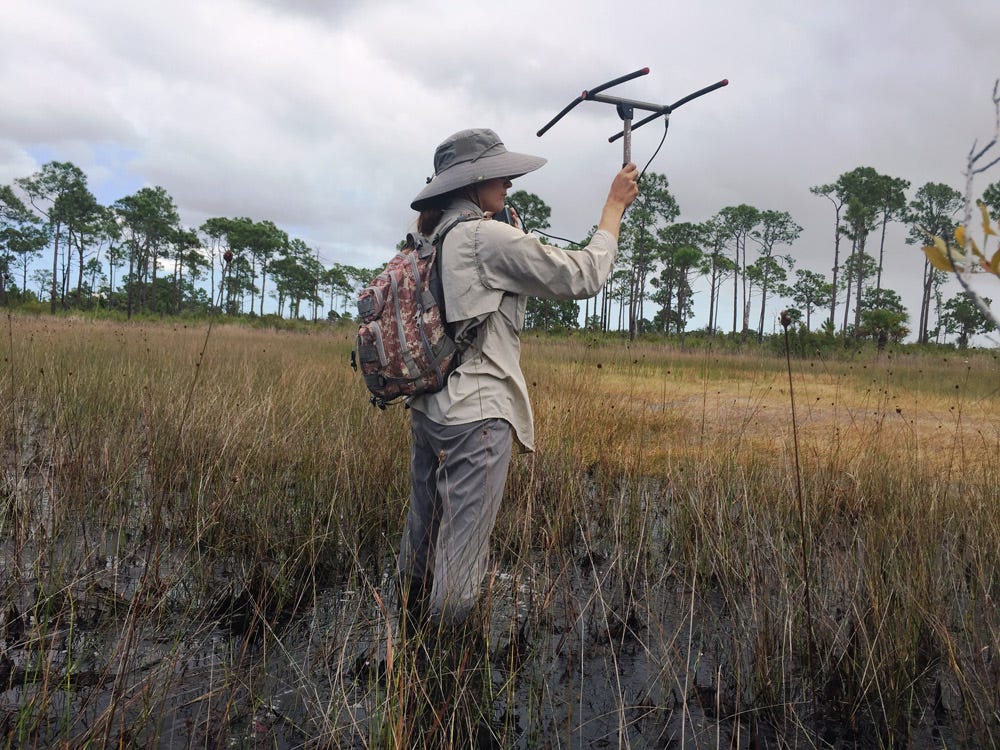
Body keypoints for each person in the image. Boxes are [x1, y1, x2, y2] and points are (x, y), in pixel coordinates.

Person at [397, 127, 638, 628]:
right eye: (498, 174)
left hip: (430, 410)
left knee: (422, 544)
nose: (508, 182)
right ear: (473, 182)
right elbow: (583, 276)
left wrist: (511, 230)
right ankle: (446, 679)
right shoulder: (483, 237)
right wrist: (613, 211)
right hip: (478, 418)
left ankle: (405, 653)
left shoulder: (430, 237)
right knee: (461, 565)